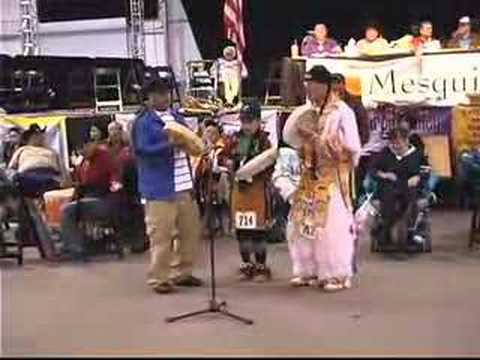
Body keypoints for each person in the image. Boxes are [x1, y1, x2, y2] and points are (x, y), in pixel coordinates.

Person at [283, 65, 362, 291]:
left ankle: (336, 273)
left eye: (313, 86)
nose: (309, 90)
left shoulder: (342, 112)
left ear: (324, 86)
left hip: (333, 176)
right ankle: (307, 269)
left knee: (330, 226)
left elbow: (352, 149)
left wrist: (317, 139)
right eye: (307, 86)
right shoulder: (308, 111)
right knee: (300, 222)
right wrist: (303, 143)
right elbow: (298, 142)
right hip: (310, 174)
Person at [131, 78, 203, 294]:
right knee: (161, 236)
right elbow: (142, 150)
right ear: (150, 97)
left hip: (183, 182)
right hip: (159, 187)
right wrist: (169, 145)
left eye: (167, 93)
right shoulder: (143, 122)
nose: (165, 98)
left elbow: (190, 144)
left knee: (189, 231)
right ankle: (159, 278)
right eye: (160, 94)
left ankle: (182, 272)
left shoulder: (178, 117)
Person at [224, 99, 273, 282]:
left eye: (250, 121)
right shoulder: (234, 139)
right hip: (239, 191)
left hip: (257, 190)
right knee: (242, 229)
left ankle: (261, 265)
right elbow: (224, 156)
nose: (246, 125)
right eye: (243, 121)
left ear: (259, 121)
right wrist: (227, 162)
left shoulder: (264, 141)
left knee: (258, 230)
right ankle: (246, 264)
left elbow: (270, 163)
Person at [57, 128, 119, 262]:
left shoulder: (105, 157)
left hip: (104, 201)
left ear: (91, 144)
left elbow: (114, 181)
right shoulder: (84, 162)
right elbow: (79, 183)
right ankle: (72, 243)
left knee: (68, 210)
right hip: (87, 200)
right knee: (65, 207)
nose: (82, 152)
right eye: (79, 150)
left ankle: (76, 250)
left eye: (83, 148)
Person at [370, 127, 426, 248]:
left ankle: (411, 233)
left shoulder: (417, 154)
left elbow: (426, 170)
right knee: (388, 197)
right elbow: (373, 170)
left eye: (399, 143)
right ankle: (386, 231)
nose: (396, 146)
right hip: (389, 186)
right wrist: (384, 175)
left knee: (411, 199)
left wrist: (418, 177)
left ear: (406, 141)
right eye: (393, 143)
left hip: (410, 186)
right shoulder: (385, 153)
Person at [8, 124, 70, 196]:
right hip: (27, 176)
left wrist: (67, 180)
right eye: (36, 136)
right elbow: (11, 168)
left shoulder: (52, 151)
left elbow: (62, 168)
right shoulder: (22, 149)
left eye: (40, 136)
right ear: (29, 139)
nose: (39, 138)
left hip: (50, 175)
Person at [194, 120, 230, 236]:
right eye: (207, 132)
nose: (209, 135)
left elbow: (221, 166)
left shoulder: (221, 148)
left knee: (216, 190)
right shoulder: (199, 148)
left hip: (218, 179)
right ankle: (209, 224)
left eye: (212, 133)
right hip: (202, 180)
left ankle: (216, 224)